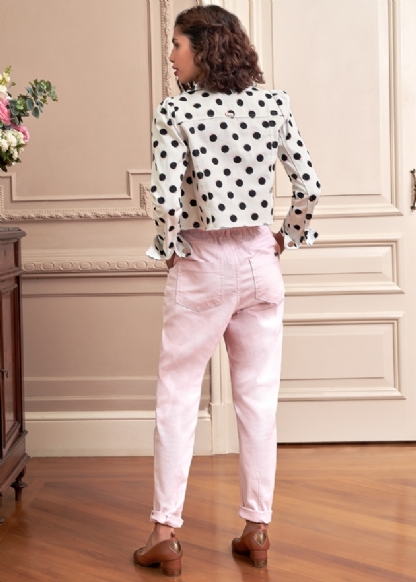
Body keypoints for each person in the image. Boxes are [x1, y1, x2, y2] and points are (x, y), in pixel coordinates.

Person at [134, 5, 321, 577]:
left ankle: (165, 533)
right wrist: (286, 237)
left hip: (201, 261)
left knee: (177, 396)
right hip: (260, 261)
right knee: (258, 399)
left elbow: (165, 198)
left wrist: (170, 247)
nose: (171, 56)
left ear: (203, 48)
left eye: (177, 44)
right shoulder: (274, 103)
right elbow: (308, 186)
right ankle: (257, 529)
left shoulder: (176, 112)